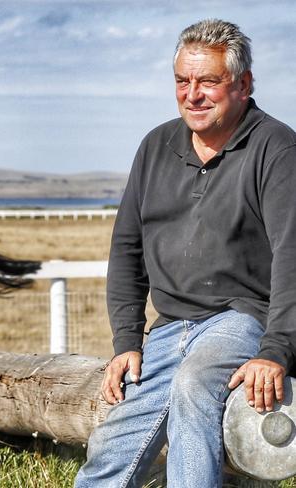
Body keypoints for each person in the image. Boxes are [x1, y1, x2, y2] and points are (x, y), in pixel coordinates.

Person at [74, 19, 296, 488]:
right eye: (182, 81)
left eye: (208, 81)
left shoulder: (276, 147)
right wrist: (127, 342)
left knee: (194, 385)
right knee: (114, 442)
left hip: (240, 317)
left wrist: (277, 350)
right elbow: (127, 248)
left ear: (243, 84)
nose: (192, 94)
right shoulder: (155, 145)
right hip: (168, 327)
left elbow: (293, 253)